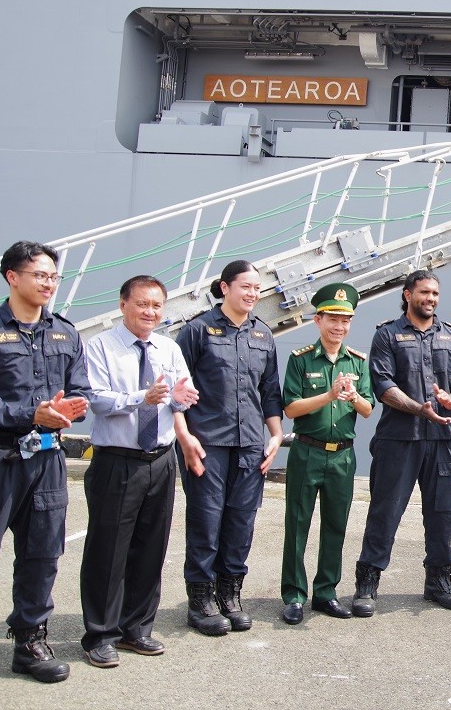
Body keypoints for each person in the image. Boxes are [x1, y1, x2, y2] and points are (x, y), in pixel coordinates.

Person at [0, 241, 89, 683]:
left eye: (53, 277)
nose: (48, 284)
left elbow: (81, 390)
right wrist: (31, 414)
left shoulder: (66, 333)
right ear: (12, 276)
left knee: (42, 555)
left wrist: (70, 408)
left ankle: (30, 643)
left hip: (47, 462)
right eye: (39, 275)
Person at [80, 275, 201, 668]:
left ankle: (137, 629)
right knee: (108, 551)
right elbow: (96, 399)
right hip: (117, 460)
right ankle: (100, 635)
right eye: (142, 304)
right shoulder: (100, 346)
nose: (150, 312)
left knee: (151, 547)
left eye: (157, 306)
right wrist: (141, 398)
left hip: (160, 460)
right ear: (123, 305)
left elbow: (182, 394)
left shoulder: (168, 347)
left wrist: (182, 399)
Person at [352, 270, 451, 615]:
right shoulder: (387, 335)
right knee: (385, 511)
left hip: (444, 439)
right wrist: (419, 409)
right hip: (398, 439)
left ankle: (439, 581)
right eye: (424, 292)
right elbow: (383, 385)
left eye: (435, 293)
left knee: (443, 513)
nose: (430, 299)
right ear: (407, 295)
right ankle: (367, 583)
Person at [176, 259, 284, 635]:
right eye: (246, 286)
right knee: (206, 522)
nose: (253, 293)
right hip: (207, 443)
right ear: (225, 288)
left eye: (257, 288)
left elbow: (270, 392)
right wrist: (184, 438)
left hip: (251, 444)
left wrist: (275, 435)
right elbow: (176, 392)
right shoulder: (197, 331)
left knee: (241, 521)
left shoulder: (263, 335)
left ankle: (229, 594)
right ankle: (200, 600)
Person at [279, 283, 374, 625]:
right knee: (297, 524)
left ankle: (325, 592)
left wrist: (352, 396)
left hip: (342, 456)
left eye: (345, 320)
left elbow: (367, 409)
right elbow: (290, 408)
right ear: (317, 320)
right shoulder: (300, 359)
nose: (339, 326)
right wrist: (329, 396)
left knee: (336, 526)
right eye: (332, 319)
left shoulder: (357, 361)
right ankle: (294, 595)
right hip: (308, 451)